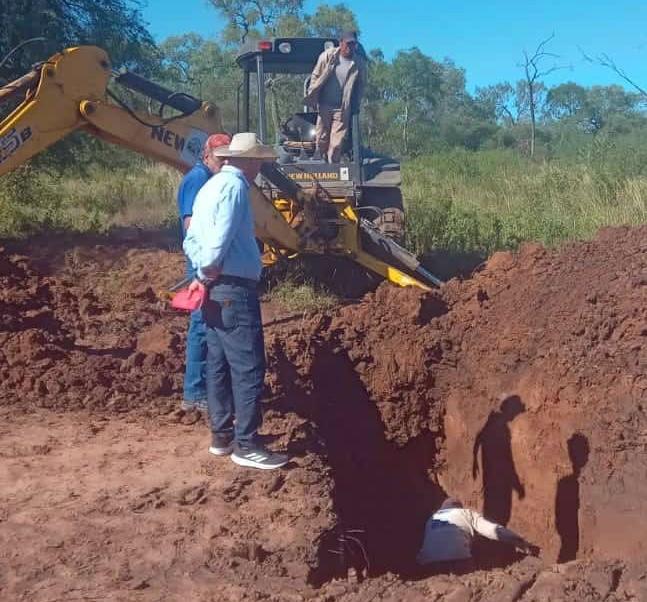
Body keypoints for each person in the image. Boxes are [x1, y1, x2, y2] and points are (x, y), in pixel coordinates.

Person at [183, 132, 289, 471]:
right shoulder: (234, 188)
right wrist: (208, 272)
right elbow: (219, 240)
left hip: (214, 288)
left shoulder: (209, 186)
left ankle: (222, 436)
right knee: (247, 366)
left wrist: (201, 275)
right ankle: (247, 444)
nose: (259, 166)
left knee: (218, 364)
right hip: (231, 288)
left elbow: (192, 239)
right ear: (246, 161)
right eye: (257, 160)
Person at [177, 133, 231, 412]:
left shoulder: (211, 178)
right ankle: (194, 393)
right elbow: (191, 225)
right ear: (207, 155)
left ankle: (209, 389)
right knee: (200, 325)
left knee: (210, 324)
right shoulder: (197, 179)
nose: (224, 164)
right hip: (202, 262)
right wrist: (205, 265)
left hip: (209, 261)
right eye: (221, 158)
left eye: (228, 158)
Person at [416, 497, 539, 574]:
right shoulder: (466, 513)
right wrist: (520, 541)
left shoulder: (431, 519)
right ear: (459, 507)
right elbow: (493, 530)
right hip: (459, 561)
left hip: (429, 565)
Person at [305, 31, 367, 163]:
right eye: (348, 43)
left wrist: (356, 103)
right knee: (321, 137)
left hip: (342, 107)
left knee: (337, 142)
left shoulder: (359, 63)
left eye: (353, 44)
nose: (350, 47)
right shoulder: (327, 56)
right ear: (341, 43)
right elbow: (316, 75)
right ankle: (321, 161)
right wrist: (312, 96)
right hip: (324, 104)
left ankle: (333, 166)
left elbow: (361, 85)